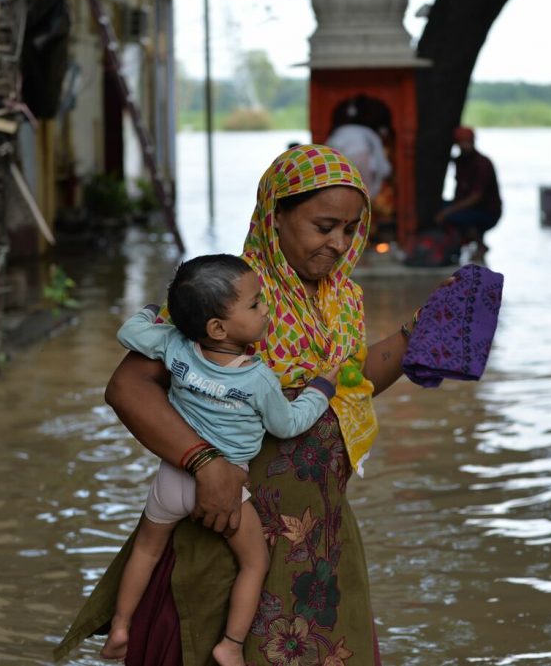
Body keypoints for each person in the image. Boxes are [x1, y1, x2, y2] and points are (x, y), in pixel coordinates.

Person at [54, 145, 441, 665]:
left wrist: (417, 334)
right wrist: (204, 463)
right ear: (275, 215)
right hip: (230, 517)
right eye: (324, 226)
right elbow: (128, 387)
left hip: (318, 533)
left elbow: (347, 383)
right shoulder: (230, 297)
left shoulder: (341, 298)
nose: (339, 243)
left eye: (351, 230)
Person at [101, 254, 340, 666]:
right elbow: (287, 425)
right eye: (255, 304)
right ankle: (230, 644)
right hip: (224, 484)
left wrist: (152, 311)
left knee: (147, 550)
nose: (266, 309)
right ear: (217, 328)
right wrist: (319, 391)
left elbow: (129, 333)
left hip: (172, 476)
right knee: (255, 562)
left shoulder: (173, 344)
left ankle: (121, 627)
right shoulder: (258, 379)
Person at [433, 126, 502, 261]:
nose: (464, 145)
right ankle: (459, 244)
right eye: (462, 142)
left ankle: (479, 245)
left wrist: (447, 212)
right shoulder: (460, 162)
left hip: (487, 211)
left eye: (467, 141)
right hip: (467, 207)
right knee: (439, 207)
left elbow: (475, 197)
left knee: (453, 215)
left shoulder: (482, 164)